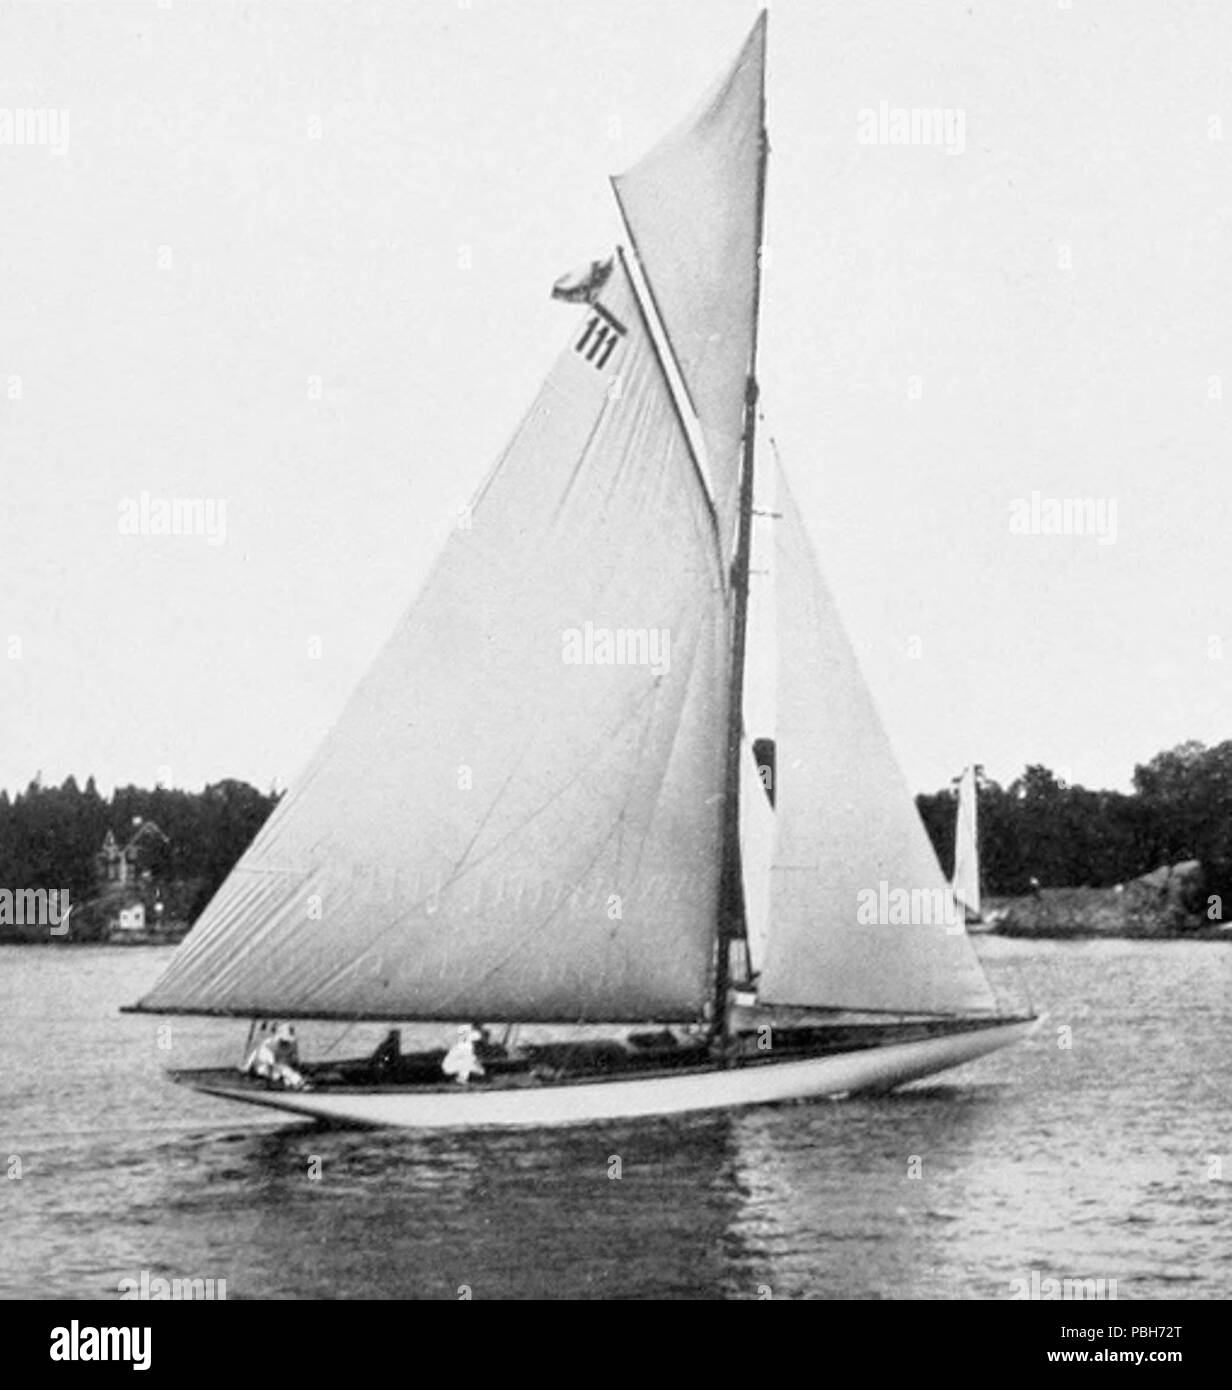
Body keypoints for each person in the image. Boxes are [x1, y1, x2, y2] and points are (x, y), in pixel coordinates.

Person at [245, 1021, 308, 1090]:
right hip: (261, 1068)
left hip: (280, 1067)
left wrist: (296, 1074)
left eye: (288, 1039)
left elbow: (294, 1061)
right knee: (279, 1073)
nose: (286, 1042)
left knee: (288, 1076)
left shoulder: (293, 1043)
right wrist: (295, 1078)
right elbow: (276, 1065)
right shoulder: (267, 1046)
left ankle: (297, 1085)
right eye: (283, 1040)